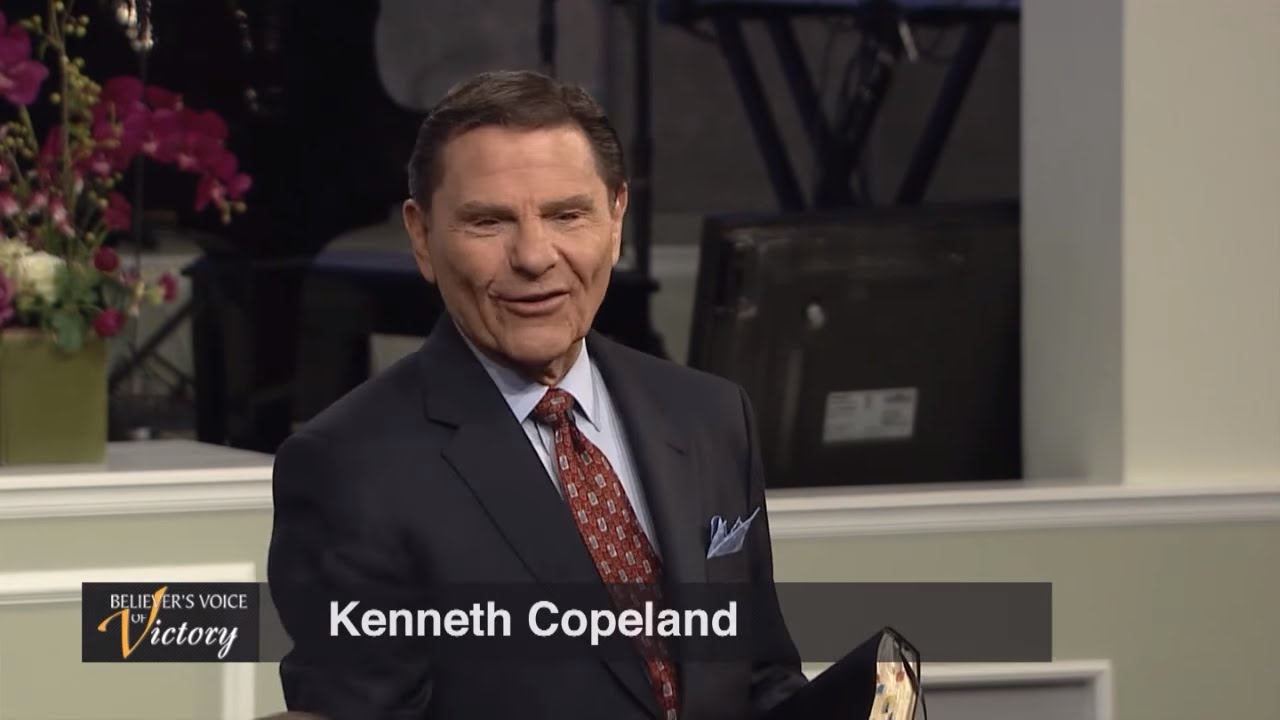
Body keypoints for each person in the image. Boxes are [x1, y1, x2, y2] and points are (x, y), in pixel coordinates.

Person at [268, 69, 807, 720]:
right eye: (488, 221)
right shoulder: (349, 469)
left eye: (566, 215)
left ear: (615, 219)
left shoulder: (711, 416)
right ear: (422, 237)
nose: (534, 256)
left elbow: (761, 679)